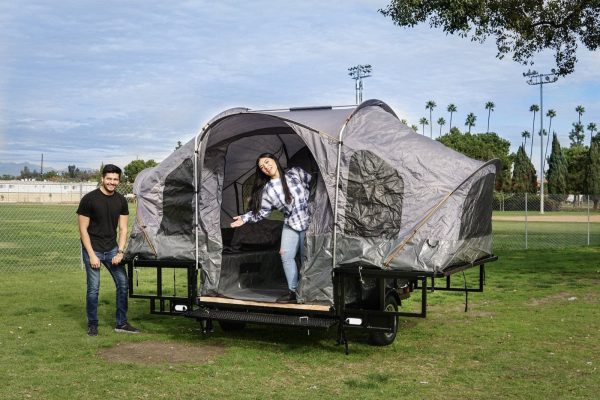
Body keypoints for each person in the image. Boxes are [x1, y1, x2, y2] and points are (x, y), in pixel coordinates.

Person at [231, 153, 312, 303]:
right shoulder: (268, 190)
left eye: (267, 162)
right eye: (262, 167)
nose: (266, 167)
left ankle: (307, 291)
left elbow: (315, 186)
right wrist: (244, 218)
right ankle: (293, 291)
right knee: (285, 256)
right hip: (291, 223)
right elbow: (262, 212)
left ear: (274, 160)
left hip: (309, 221)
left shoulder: (295, 173)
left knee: (306, 257)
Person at [77, 164, 139, 336]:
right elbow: (83, 230)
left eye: (115, 179)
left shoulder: (120, 201)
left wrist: (120, 252)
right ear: (102, 179)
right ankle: (93, 324)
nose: (112, 182)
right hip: (93, 250)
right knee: (93, 289)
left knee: (123, 284)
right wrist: (91, 255)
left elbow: (123, 229)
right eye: (109, 179)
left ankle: (121, 323)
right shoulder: (89, 199)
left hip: (112, 249)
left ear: (119, 181)